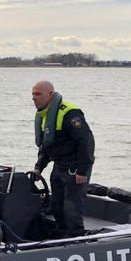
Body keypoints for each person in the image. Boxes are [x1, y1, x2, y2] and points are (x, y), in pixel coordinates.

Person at [31, 80, 95, 237]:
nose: (34, 98)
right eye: (32, 94)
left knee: (71, 207)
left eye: (38, 94)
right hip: (59, 166)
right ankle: (61, 235)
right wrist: (39, 167)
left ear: (50, 94)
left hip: (75, 167)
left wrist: (82, 170)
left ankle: (76, 237)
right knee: (57, 205)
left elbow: (86, 142)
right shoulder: (45, 115)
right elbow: (46, 145)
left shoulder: (69, 113)